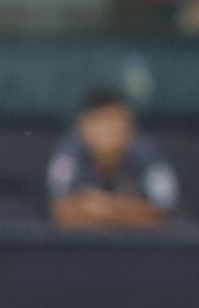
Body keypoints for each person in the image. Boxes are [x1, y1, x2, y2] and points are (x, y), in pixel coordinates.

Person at [47, 89, 179, 229]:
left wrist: (108, 207)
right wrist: (130, 211)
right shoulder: (68, 155)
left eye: (118, 122)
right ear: (84, 126)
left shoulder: (149, 155)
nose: (111, 130)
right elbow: (61, 213)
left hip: (140, 247)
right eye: (102, 122)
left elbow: (164, 214)